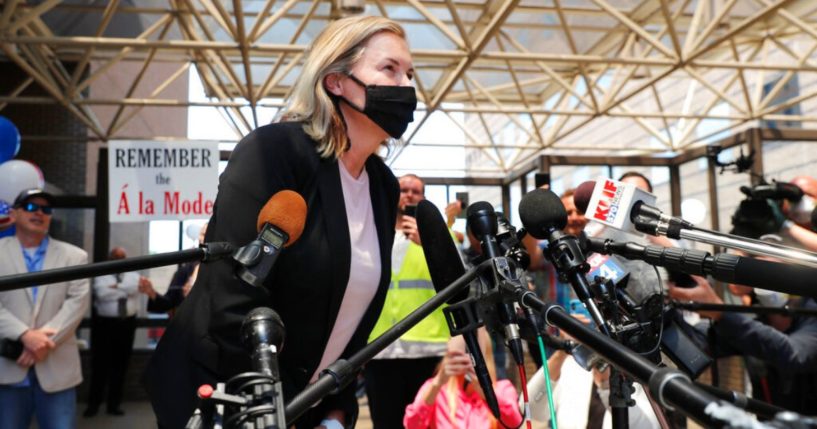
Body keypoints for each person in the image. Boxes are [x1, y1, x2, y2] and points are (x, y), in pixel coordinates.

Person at [145, 15, 414, 429]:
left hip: (305, 405)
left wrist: (333, 402)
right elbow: (230, 298)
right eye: (389, 69)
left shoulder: (382, 185)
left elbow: (347, 317)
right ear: (335, 81)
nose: (407, 85)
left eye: (410, 73)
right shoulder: (273, 152)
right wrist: (271, 407)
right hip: (226, 395)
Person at [364, 174, 452, 428]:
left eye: (416, 191)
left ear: (423, 197)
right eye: (403, 189)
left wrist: (430, 244)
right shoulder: (373, 233)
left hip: (430, 352)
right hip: (380, 351)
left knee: (428, 423)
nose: (410, 195)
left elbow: (461, 280)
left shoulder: (439, 234)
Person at [0, 188, 91, 429]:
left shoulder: (76, 257)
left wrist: (40, 343)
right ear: (15, 214)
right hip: (8, 370)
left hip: (57, 369)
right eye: (31, 207)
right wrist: (25, 335)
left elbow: (77, 304)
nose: (39, 212)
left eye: (45, 209)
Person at [667, 273, 817, 414]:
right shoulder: (755, 320)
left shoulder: (812, 311)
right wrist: (665, 302)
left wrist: (719, 311)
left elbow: (794, 354)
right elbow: (699, 341)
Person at [403, 329, 522, 429]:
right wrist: (437, 383)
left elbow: (515, 423)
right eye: (459, 355)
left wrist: (485, 389)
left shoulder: (502, 389)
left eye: (473, 355)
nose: (466, 360)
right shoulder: (436, 390)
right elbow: (412, 425)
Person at [84, 247, 151, 417]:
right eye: (116, 256)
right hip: (104, 325)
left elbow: (135, 288)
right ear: (109, 258)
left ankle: (114, 405)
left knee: (121, 365)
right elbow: (102, 293)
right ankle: (93, 405)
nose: (119, 259)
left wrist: (117, 286)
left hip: (126, 325)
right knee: (100, 365)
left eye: (122, 257)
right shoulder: (101, 274)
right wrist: (125, 289)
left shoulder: (133, 275)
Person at [526, 348, 660, 429]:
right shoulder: (573, 365)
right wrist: (560, 353)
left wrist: (607, 385)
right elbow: (530, 410)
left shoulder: (636, 370)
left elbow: (646, 426)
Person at [140, 223, 207, 314]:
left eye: (209, 234)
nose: (204, 238)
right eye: (203, 234)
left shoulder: (226, 266)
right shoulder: (186, 269)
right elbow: (169, 302)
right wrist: (151, 292)